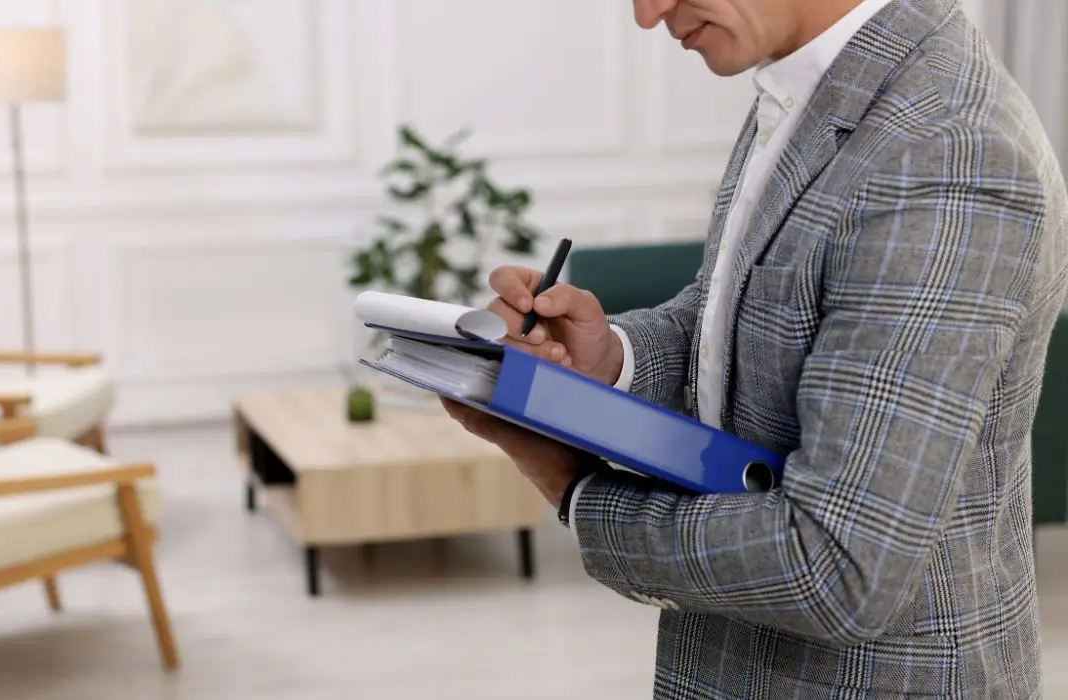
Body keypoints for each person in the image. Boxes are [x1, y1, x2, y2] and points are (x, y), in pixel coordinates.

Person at [441, 0, 1068, 697]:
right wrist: (609, 358)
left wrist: (573, 487)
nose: (649, 15)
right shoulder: (817, 82)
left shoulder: (946, 153)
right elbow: (756, 313)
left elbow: (838, 567)